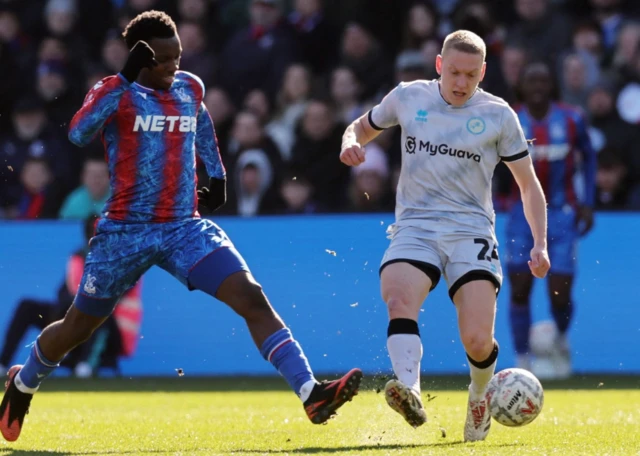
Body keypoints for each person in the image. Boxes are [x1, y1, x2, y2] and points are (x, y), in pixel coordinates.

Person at [0, 10, 361, 443]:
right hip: (124, 231)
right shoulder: (114, 90)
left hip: (183, 226)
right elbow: (79, 134)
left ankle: (311, 393)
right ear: (142, 58)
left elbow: (202, 125)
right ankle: (23, 383)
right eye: (166, 58)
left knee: (251, 296)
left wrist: (217, 174)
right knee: (78, 326)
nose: (175, 65)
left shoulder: (190, 88)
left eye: (179, 55)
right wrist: (123, 77)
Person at [339, 30, 550, 442]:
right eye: (453, 72)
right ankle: (410, 390)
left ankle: (478, 393)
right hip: (416, 227)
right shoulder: (408, 96)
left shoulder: (498, 115)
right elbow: (360, 127)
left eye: (470, 75)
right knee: (399, 298)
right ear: (439, 65)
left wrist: (539, 242)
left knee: (476, 339)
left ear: (483, 72)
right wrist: (350, 143)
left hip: (471, 232)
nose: (460, 82)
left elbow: (528, 186)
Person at [506, 61, 596, 378]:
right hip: (520, 214)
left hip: (562, 213)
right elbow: (490, 162)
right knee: (519, 285)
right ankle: (522, 358)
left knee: (560, 288)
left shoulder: (571, 119)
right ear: (522, 87)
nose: (538, 86)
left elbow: (589, 156)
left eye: (544, 80)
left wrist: (588, 202)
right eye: (532, 80)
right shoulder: (511, 119)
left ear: (552, 85)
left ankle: (559, 337)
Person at [0, 216, 142, 378]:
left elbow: (110, 294)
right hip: (76, 325)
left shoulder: (125, 262)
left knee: (98, 309)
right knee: (28, 307)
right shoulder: (79, 258)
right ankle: (3, 364)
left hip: (111, 335)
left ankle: (85, 366)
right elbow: (63, 295)